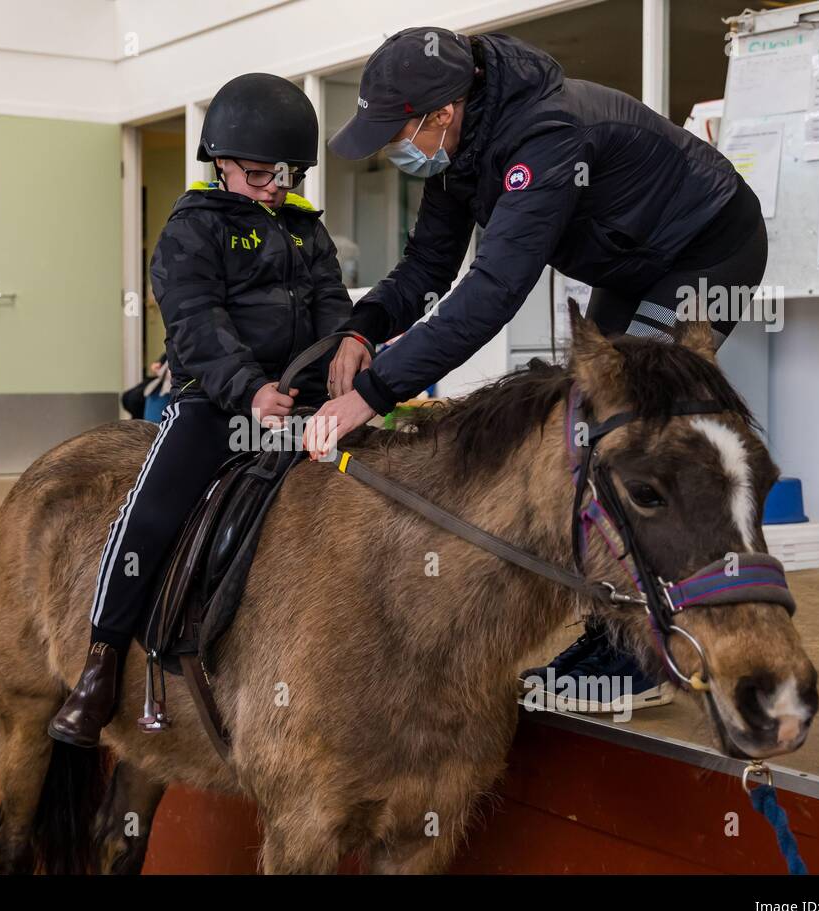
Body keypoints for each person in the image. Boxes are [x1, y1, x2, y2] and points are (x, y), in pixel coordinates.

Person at [306, 27, 768, 711]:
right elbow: (428, 269)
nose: (387, 149)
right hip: (636, 256)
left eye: (393, 130)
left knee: (629, 434)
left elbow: (490, 294)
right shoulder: (462, 149)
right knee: (585, 420)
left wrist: (371, 394)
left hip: (708, 248)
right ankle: (608, 626)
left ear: (441, 112)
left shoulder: (544, 139)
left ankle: (638, 660)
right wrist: (361, 329)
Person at [49, 72, 353, 746]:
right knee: (150, 511)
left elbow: (333, 302)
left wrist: (347, 359)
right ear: (220, 164)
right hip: (215, 403)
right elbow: (197, 322)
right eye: (259, 172)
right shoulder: (192, 229)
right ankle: (98, 666)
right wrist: (249, 388)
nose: (276, 183)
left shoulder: (307, 231)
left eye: (288, 171)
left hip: (304, 405)